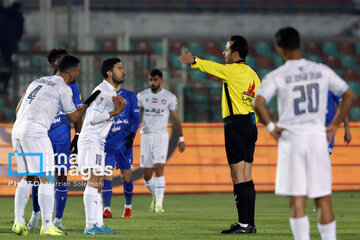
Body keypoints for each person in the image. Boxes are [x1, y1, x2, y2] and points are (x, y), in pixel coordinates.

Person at [253, 27, 355, 240]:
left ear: (279, 49)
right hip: (318, 138)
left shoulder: (277, 75)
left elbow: (258, 103)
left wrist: (271, 128)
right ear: (300, 44)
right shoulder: (321, 70)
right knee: (323, 199)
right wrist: (335, 124)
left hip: (292, 140)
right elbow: (348, 95)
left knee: (297, 200)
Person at [11, 55, 101, 236]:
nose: (78, 74)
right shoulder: (64, 88)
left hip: (17, 130)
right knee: (47, 177)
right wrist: (86, 105)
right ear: (73, 71)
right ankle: (47, 225)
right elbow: (73, 117)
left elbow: (17, 108)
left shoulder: (37, 82)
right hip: (35, 132)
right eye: (78, 71)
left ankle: (18, 222)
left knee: (27, 177)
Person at [179, 35, 260, 234]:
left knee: (237, 176)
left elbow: (215, 69)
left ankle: (243, 225)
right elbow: (259, 102)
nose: (223, 53)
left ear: (236, 53)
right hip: (250, 124)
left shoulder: (232, 71)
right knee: (248, 175)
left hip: (236, 125)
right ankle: (249, 223)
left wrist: (196, 61)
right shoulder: (253, 75)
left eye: (226, 50)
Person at [28, 48, 83, 231]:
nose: (64, 62)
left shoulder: (73, 87)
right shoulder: (43, 83)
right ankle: (36, 214)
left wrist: (78, 135)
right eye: (61, 60)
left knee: (61, 177)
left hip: (61, 138)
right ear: (53, 63)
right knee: (36, 176)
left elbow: (77, 114)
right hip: (41, 135)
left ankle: (57, 219)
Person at [77, 58, 126, 235]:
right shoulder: (104, 91)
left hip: (97, 141)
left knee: (97, 184)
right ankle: (90, 226)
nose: (123, 71)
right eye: (119, 68)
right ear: (109, 73)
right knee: (94, 182)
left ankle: (97, 224)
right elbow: (92, 118)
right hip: (91, 141)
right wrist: (116, 112)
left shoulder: (107, 91)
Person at [137, 69, 185, 213]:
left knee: (159, 169)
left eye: (155, 80)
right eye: (150, 80)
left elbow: (176, 118)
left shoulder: (169, 97)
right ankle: (154, 196)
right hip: (146, 136)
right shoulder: (142, 96)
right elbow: (138, 116)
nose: (152, 82)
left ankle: (159, 204)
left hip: (161, 136)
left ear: (161, 80)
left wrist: (181, 138)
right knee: (146, 175)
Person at [102, 84, 140, 218]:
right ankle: (107, 209)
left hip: (124, 143)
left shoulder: (130, 96)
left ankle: (128, 207)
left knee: (126, 178)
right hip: (108, 143)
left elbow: (136, 119)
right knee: (107, 175)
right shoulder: (102, 94)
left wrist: (132, 135)